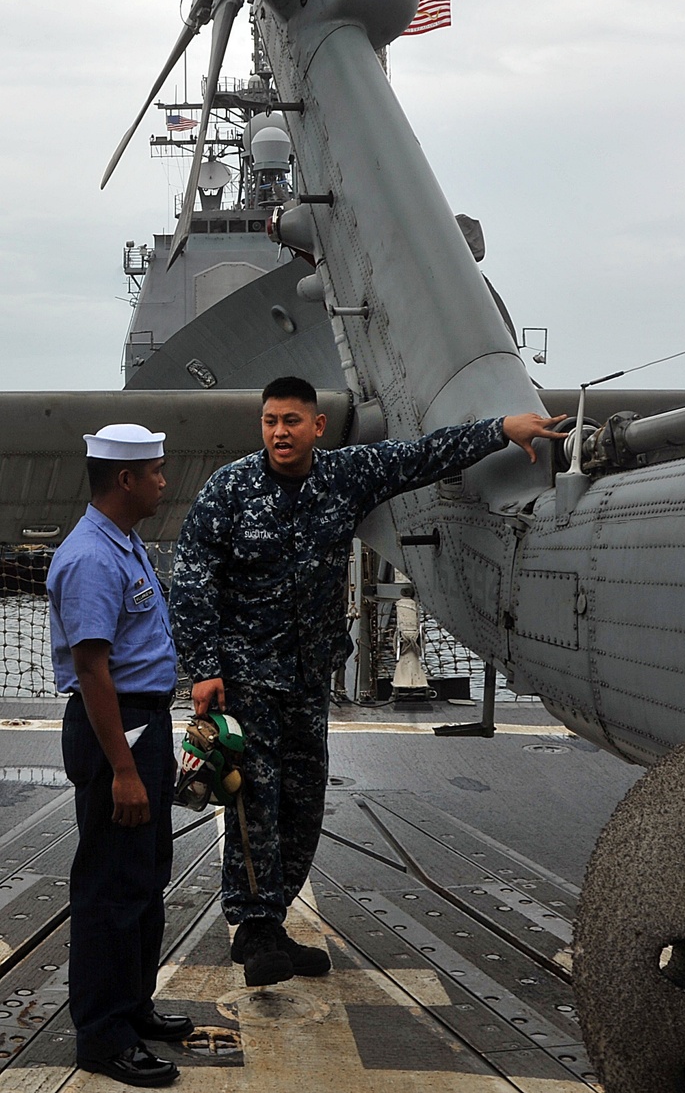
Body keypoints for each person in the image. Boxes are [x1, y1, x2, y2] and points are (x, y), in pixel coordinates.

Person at [170, 377, 566, 988]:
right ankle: (253, 930)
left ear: (316, 428)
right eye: (271, 421)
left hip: (307, 681)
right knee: (256, 801)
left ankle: (272, 919)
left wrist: (500, 431)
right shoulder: (231, 489)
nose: (280, 432)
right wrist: (203, 669)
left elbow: (419, 456)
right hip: (247, 681)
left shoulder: (343, 476)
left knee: (304, 803)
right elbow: (194, 575)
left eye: (292, 421)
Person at [46, 424, 190, 1088]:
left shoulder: (122, 542)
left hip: (143, 721)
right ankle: (102, 1034)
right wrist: (126, 769)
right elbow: (92, 667)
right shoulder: (90, 558)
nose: (164, 480)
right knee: (109, 884)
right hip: (117, 729)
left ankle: (131, 1008)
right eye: (156, 471)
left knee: (143, 873)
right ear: (126, 480)